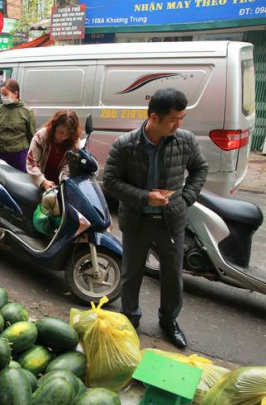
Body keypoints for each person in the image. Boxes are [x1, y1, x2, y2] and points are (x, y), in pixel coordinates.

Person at [103, 88, 208, 349]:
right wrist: (145, 197)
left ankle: (169, 321)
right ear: (153, 118)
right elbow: (111, 182)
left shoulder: (185, 141)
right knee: (131, 274)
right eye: (174, 119)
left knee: (172, 275)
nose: (179, 124)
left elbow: (200, 170)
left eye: (182, 118)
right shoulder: (125, 145)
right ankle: (130, 319)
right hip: (137, 222)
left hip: (171, 222)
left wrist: (184, 200)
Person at [0, 79, 36, 172]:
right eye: (2, 94)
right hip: (1, 154)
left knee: (20, 183)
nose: (3, 97)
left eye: (6, 94)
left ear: (15, 93)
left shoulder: (27, 111)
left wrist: (32, 158)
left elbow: (32, 136)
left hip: (19, 155)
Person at [27, 110, 81, 190]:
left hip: (59, 184)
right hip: (38, 182)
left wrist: (64, 182)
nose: (63, 137)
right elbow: (32, 163)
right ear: (54, 127)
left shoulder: (74, 141)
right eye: (60, 132)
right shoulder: (40, 137)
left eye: (68, 134)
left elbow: (68, 166)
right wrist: (43, 181)